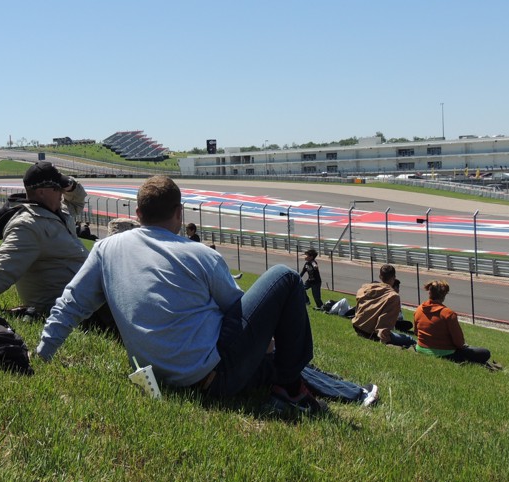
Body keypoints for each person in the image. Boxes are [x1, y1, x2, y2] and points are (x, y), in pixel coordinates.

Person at [36, 175, 379, 413]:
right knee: (284, 278)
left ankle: (308, 382)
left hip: (151, 374)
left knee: (268, 354)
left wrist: (43, 354)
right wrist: (270, 345)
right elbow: (240, 313)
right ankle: (290, 389)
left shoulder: (105, 248)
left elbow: (70, 304)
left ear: (138, 215)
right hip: (210, 378)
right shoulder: (200, 254)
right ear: (179, 214)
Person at [0, 161, 88, 319]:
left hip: (84, 296)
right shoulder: (28, 225)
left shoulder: (57, 211)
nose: (62, 193)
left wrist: (70, 184)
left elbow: (76, 202)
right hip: (68, 305)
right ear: (41, 192)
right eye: (58, 188)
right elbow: (3, 265)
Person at [413, 280, 492, 364]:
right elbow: (459, 343)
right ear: (444, 294)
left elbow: (416, 332)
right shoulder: (448, 314)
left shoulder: (419, 309)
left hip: (421, 348)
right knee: (485, 353)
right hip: (446, 353)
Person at [352, 265, 416, 348]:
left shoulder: (366, 288)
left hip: (357, 327)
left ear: (380, 276)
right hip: (372, 333)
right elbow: (384, 321)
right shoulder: (393, 296)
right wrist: (384, 340)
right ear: (394, 277)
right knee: (410, 339)